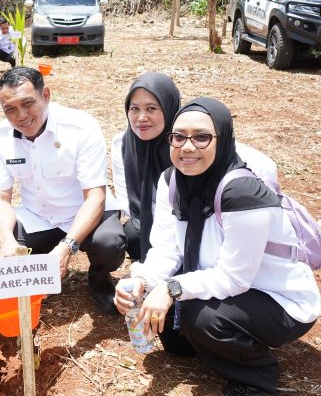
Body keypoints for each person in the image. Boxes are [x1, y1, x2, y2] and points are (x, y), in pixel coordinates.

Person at [113, 97, 321, 396]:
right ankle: (223, 339)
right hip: (230, 285)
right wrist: (143, 280)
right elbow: (166, 249)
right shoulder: (171, 180)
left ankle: (257, 373)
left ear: (222, 140)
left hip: (277, 297)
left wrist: (171, 288)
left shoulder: (242, 192)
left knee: (198, 316)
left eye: (201, 137)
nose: (187, 147)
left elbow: (235, 277)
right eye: (179, 136)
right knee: (173, 336)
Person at [0, 67, 126, 314]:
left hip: (84, 212)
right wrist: (7, 241)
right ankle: (34, 279)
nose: (21, 115)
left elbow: (95, 197)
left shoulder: (80, 127)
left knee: (109, 243)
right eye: (10, 109)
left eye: (28, 103)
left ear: (46, 95)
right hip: (39, 216)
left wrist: (67, 246)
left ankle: (99, 277)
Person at [111, 72, 277, 262]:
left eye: (151, 108)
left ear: (169, 108)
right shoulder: (123, 145)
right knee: (135, 235)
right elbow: (126, 202)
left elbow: (265, 168)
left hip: (212, 222)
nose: (141, 117)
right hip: (159, 219)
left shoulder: (203, 145)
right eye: (134, 108)